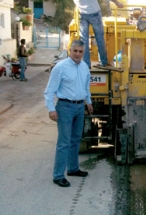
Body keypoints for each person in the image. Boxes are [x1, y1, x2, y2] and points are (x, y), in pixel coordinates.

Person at [44, 40, 93, 188]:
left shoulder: (84, 67)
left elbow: (86, 87)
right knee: (64, 142)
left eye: (80, 52)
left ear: (83, 53)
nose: (77, 54)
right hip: (65, 107)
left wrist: (88, 102)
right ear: (70, 50)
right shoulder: (60, 67)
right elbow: (49, 90)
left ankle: (72, 168)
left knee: (76, 139)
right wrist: (51, 109)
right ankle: (58, 176)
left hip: (79, 107)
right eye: (75, 51)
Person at [60, 0, 124, 69]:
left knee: (84, 40)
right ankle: (103, 62)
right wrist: (116, 2)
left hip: (82, 14)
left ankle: (86, 64)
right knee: (99, 37)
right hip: (94, 12)